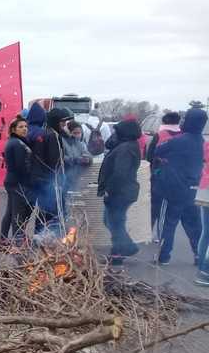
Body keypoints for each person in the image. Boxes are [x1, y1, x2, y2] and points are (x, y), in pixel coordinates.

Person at [154, 107, 208, 266]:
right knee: (193, 224)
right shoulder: (201, 141)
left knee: (168, 223)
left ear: (188, 121)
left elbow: (158, 151)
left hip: (173, 189)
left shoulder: (179, 140)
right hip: (193, 189)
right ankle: (199, 255)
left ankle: (163, 256)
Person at [97, 119, 143, 267]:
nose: (115, 133)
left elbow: (120, 173)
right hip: (124, 191)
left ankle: (118, 253)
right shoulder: (126, 145)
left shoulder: (126, 148)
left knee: (115, 223)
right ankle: (127, 247)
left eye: (117, 131)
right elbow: (109, 144)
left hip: (119, 192)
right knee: (111, 221)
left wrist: (109, 190)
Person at [29, 104, 71, 236]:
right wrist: (59, 183)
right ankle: (43, 239)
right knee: (51, 213)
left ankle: (39, 237)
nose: (64, 126)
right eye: (62, 123)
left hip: (42, 180)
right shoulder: (53, 136)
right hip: (50, 182)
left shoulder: (47, 133)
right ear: (56, 122)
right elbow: (55, 163)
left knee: (44, 212)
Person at [146, 112, 182, 242]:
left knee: (155, 207)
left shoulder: (159, 135)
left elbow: (149, 157)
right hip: (179, 178)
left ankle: (148, 234)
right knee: (171, 210)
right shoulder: (183, 136)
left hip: (159, 176)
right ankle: (164, 237)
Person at [0, 116, 34, 247]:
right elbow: (21, 166)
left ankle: (3, 239)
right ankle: (18, 242)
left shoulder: (16, 141)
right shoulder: (17, 143)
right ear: (13, 129)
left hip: (12, 181)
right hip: (18, 182)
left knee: (10, 212)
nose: (24, 129)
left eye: (25, 126)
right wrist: (29, 181)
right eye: (21, 127)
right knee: (18, 213)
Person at [61, 121, 92, 217]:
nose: (78, 135)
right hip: (65, 178)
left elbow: (88, 154)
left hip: (76, 178)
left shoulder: (80, 143)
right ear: (69, 132)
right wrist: (75, 159)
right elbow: (61, 157)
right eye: (75, 133)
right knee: (65, 204)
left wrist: (88, 159)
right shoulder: (63, 141)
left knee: (75, 206)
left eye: (79, 133)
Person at [194, 137, 209, 286]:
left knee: (206, 232)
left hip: (206, 188)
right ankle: (206, 272)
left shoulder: (206, 143)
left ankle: (202, 269)